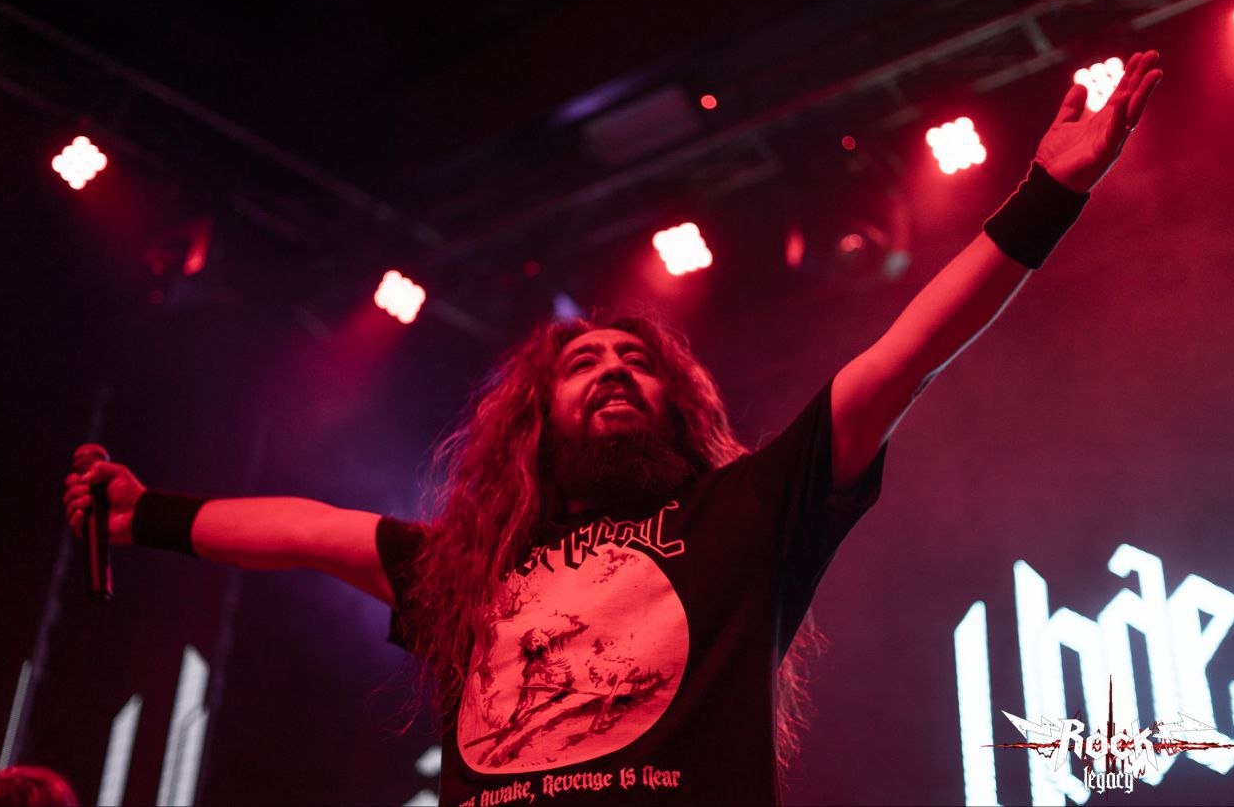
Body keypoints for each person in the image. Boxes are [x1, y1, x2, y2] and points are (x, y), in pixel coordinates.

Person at [62, 52, 1162, 805]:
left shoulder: (746, 510)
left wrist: (1047, 193)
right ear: (536, 419)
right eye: (583, 364)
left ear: (678, 402)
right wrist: (141, 513)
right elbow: (308, 530)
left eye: (636, 362)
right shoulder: (472, 569)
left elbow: (902, 357)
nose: (613, 371)